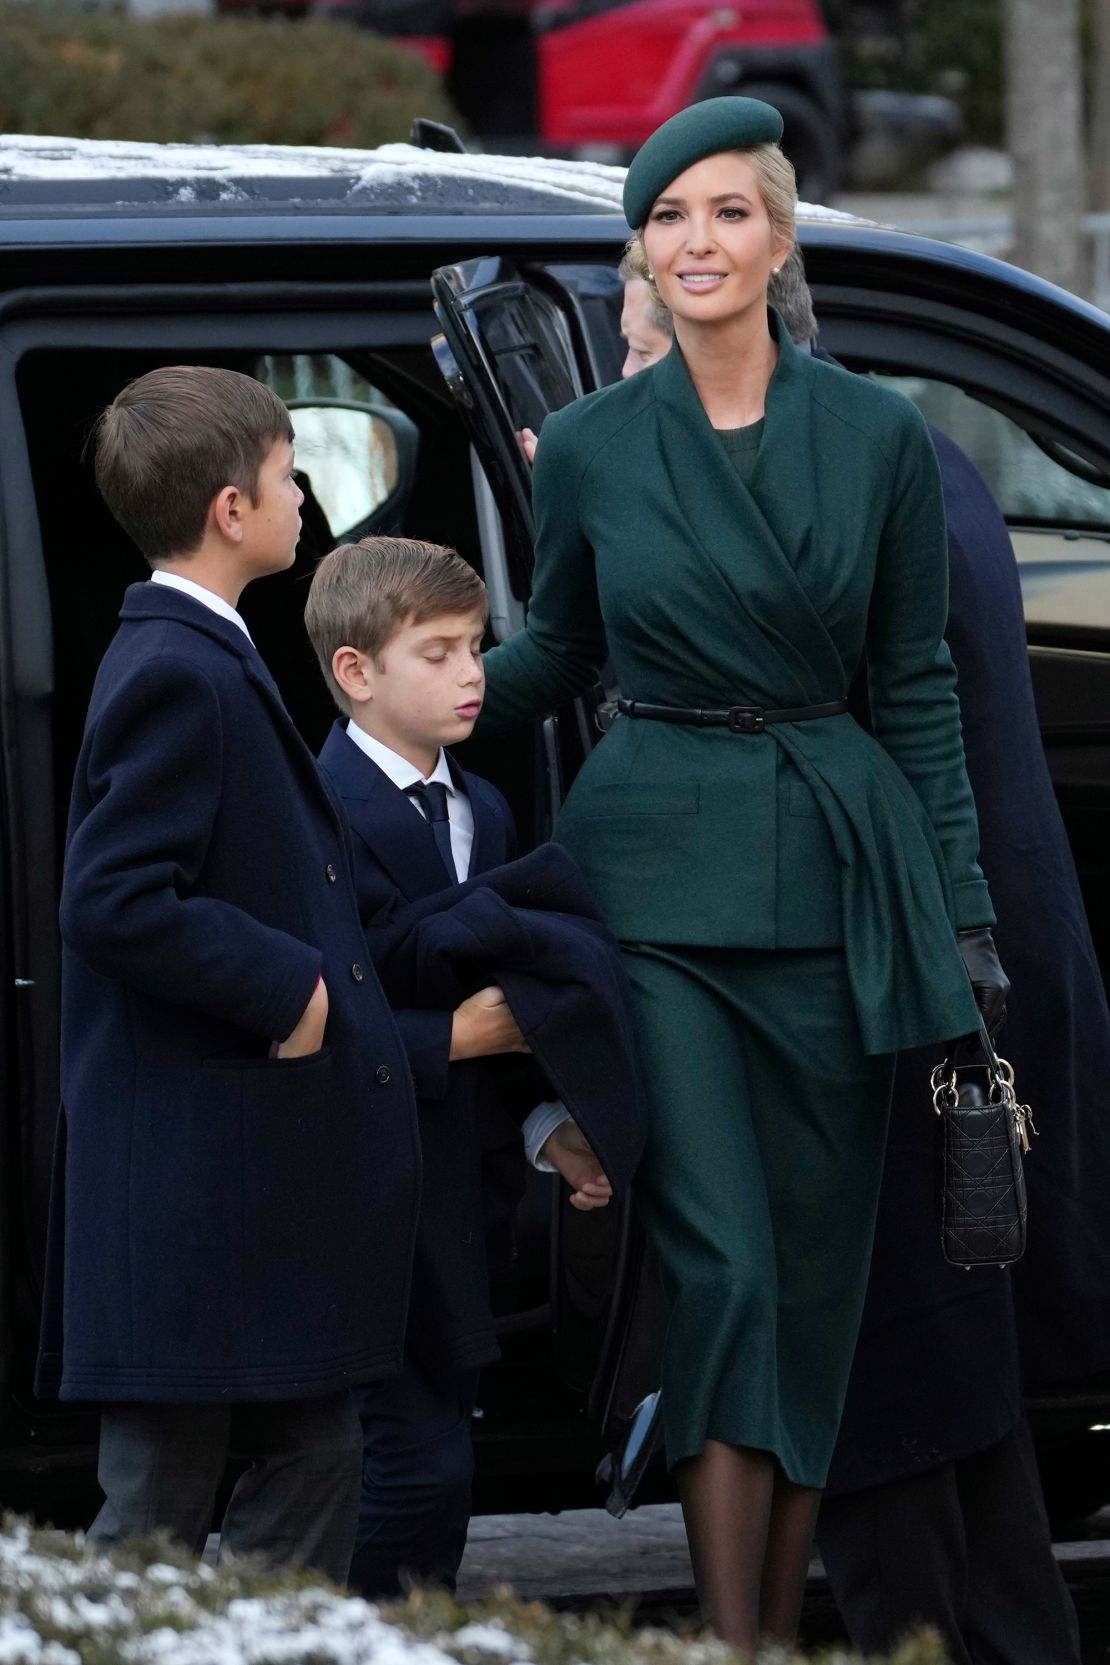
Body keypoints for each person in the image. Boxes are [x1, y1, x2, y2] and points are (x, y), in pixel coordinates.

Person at [478, 96, 1008, 1656]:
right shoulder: (585, 446)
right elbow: (559, 652)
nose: (694, 243)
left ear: (776, 238)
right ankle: (736, 1641)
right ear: (637, 251)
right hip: (657, 890)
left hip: (843, 881)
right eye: (665, 218)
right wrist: (398, 705)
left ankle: (765, 1634)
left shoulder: (878, 436)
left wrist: (962, 911)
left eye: (724, 213)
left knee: (815, 1284)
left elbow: (912, 687)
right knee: (720, 1267)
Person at [35, 367, 421, 1583]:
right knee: (158, 1511)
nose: (302, 491)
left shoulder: (201, 652)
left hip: (236, 1193)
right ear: (229, 510)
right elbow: (112, 898)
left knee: (312, 1455)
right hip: (197, 1191)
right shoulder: (174, 666)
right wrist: (292, 990)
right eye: (284, 469)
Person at [305, 535, 639, 1598]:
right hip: (348, 1200)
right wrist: (453, 1041)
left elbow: (506, 1002)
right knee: (406, 1467)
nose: (472, 675)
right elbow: (309, 1020)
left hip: (456, 1199)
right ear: (355, 672)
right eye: (438, 652)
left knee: (437, 1458)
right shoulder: (310, 815)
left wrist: (548, 1126)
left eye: (478, 649)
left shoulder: (484, 810)